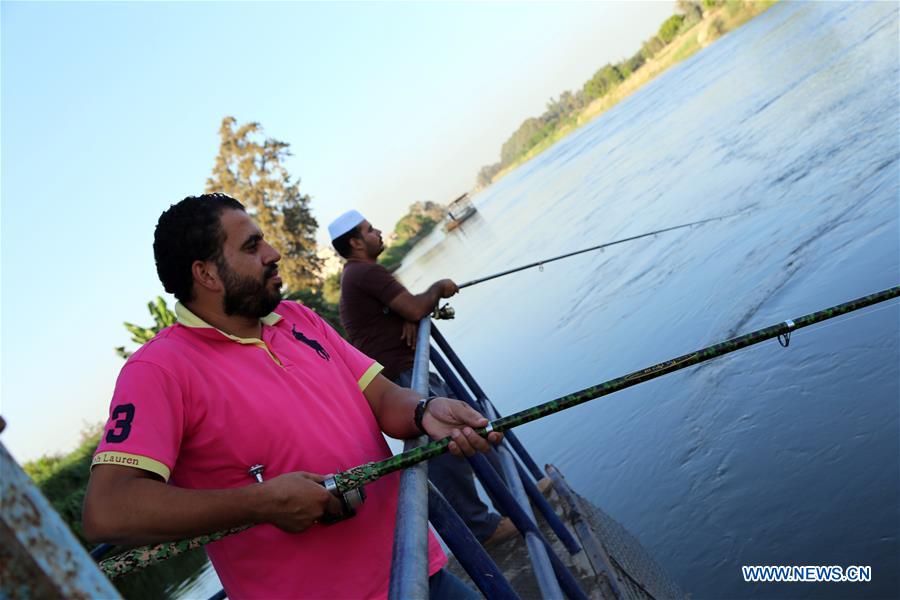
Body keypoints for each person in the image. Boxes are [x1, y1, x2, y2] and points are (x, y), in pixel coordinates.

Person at [82, 194, 501, 599]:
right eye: (252, 246)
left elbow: (383, 398)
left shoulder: (298, 318)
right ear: (206, 274)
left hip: (414, 569)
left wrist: (426, 411)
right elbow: (108, 510)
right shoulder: (158, 370)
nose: (274, 253)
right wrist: (261, 503)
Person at [329, 209, 516, 547]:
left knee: (468, 426)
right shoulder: (364, 272)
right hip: (402, 379)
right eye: (370, 230)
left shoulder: (357, 275)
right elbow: (415, 306)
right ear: (356, 242)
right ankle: (483, 527)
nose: (378, 232)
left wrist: (410, 314)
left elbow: (407, 309)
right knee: (446, 450)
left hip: (404, 372)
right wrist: (437, 288)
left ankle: (513, 500)